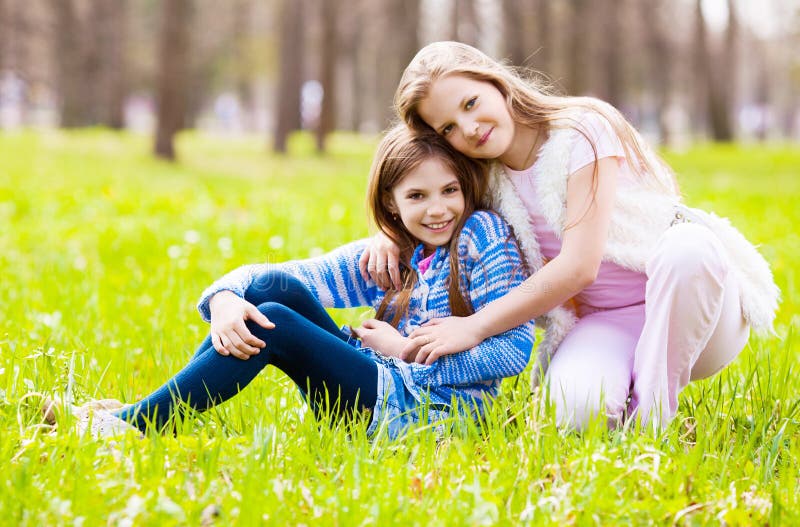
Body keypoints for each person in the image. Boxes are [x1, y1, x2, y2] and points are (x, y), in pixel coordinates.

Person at [360, 41, 779, 430]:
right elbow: (435, 212)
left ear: (495, 81)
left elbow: (579, 266)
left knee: (688, 248)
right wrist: (392, 234)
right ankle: (629, 391)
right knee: (577, 411)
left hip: (696, 308)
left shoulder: (580, 130)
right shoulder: (483, 179)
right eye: (448, 128)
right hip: (607, 321)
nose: (468, 128)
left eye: (471, 103)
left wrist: (475, 327)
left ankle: (652, 418)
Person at [64, 125, 534, 440]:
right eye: (417, 195)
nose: (438, 209)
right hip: (376, 385)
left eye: (449, 190)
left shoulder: (483, 237)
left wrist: (407, 351)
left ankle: (129, 424)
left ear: (465, 187)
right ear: (391, 205)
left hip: (429, 414)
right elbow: (289, 277)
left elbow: (514, 350)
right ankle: (142, 414)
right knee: (271, 289)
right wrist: (226, 299)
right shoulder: (396, 250)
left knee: (275, 323)